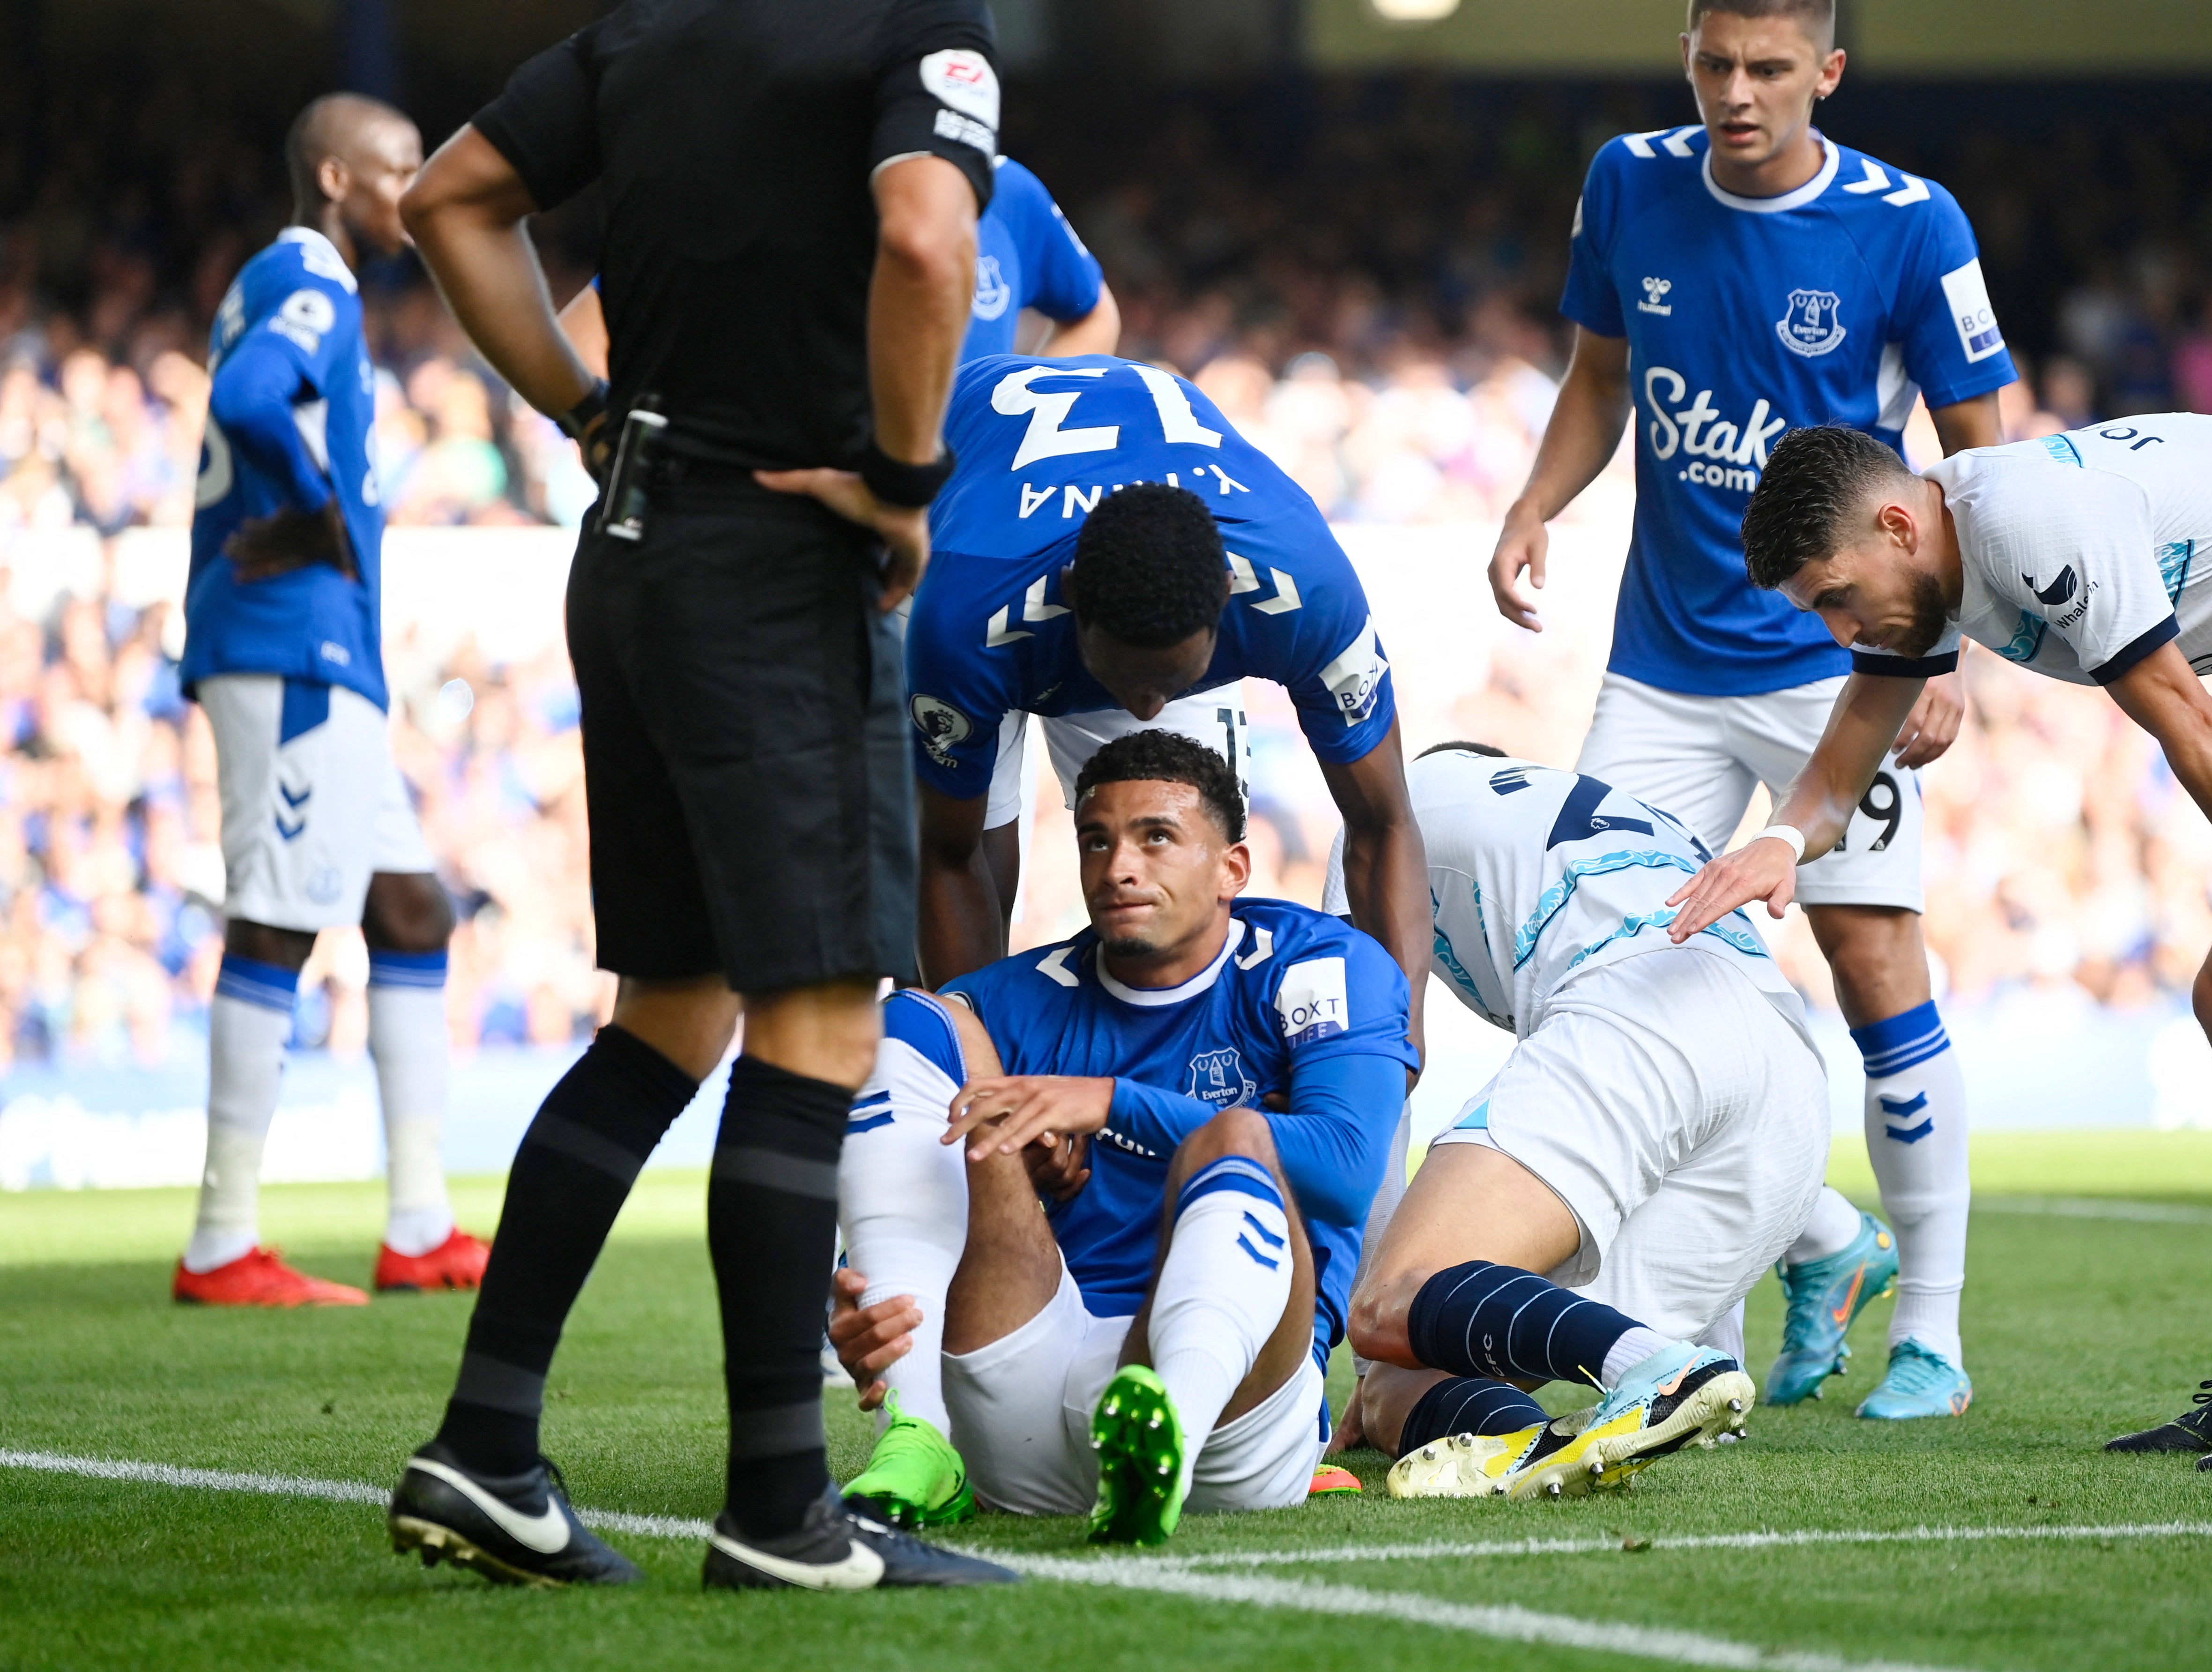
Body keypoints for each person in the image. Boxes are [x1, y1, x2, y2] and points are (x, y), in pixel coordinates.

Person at [383, 0, 1014, 1591]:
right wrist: (907, 480)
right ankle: (782, 1510)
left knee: (671, 1009)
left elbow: (446, 197)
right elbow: (926, 240)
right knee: (813, 1020)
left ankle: (487, 1441)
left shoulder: (644, 26)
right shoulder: (916, 27)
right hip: (778, 554)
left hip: (635, 543)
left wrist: (585, 411)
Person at [1692, 415, 2212, 1471]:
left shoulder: (2020, 519)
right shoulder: (1929, 558)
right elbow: (1845, 755)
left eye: (1833, 595)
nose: (1836, 626)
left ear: (1893, 524)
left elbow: (2188, 722)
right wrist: (1779, 841)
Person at [1485, 0, 2016, 1420]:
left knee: (1870, 967)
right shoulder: (1625, 180)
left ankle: (1933, 1336)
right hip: (1656, 665)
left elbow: (1984, 446)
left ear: (1825, 73)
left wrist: (1940, 642)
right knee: (1601, 974)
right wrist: (1537, 500)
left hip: (1829, 663)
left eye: (1768, 68)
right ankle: (1819, 1237)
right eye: (1713, 63)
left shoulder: (1908, 224)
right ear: (1685, 58)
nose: (1736, 92)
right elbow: (1599, 379)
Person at [828, 733, 1414, 1543]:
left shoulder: (1316, 965)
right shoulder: (1012, 999)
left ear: (1232, 869)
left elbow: (1349, 1170)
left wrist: (1108, 1103)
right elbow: (897, 1167)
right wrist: (864, 1289)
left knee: (1237, 1136)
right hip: (1025, 1395)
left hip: (1230, 1419)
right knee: (910, 1022)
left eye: (1156, 836)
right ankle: (921, 1431)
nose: (1118, 866)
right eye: (1096, 838)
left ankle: (1164, 1428)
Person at [175, 94, 486, 1309]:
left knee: (410, 913)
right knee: (278, 921)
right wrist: (309, 502)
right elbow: (254, 397)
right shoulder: (310, 270)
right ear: (337, 178)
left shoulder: (303, 280)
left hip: (323, 654)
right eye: (399, 167)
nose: (416, 188)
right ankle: (218, 1243)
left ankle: (419, 1230)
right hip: (288, 646)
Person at [1329, 744, 1826, 1499]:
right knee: (1406, 1383)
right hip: (1792, 1095)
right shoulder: (1616, 820)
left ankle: (1656, 1369)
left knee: (1391, 1304)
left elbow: (1365, 1082)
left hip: (1640, 1015)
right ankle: (1541, 1438)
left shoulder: (1385, 808)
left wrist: (1370, 1333)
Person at [889, 353, 1428, 1016]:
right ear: (1073, 602)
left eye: (1173, 680)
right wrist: (980, 1068)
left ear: (1223, 603)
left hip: (1091, 560)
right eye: (1124, 676)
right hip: (957, 524)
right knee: (967, 838)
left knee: (1182, 866)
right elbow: (949, 854)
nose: (1146, 708)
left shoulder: (1308, 592)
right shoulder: (962, 618)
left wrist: (1398, 1031)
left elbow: (1383, 821)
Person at [556, 155, 1119, 377]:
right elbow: (581, 336)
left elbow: (1093, 313)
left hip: (950, 550)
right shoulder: (759, 192)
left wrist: (1017, 412)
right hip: (798, 561)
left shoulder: (1004, 188)